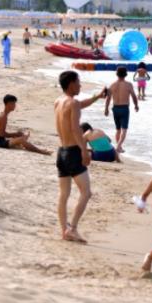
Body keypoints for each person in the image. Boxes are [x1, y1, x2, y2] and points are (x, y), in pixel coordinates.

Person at [54, 70, 104, 243]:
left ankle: (64, 230)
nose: (80, 85)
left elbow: (80, 105)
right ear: (71, 84)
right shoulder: (72, 103)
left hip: (61, 152)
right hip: (73, 152)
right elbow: (76, 129)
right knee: (86, 192)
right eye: (78, 82)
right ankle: (73, 228)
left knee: (64, 194)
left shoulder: (59, 101)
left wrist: (97, 97)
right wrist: (84, 150)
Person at [104, 66, 139, 154]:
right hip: (124, 108)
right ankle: (119, 146)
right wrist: (136, 105)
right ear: (126, 74)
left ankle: (119, 147)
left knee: (118, 129)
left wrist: (106, 109)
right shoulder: (128, 85)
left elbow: (108, 98)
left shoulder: (112, 85)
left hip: (115, 108)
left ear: (117, 74)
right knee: (124, 129)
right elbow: (134, 96)